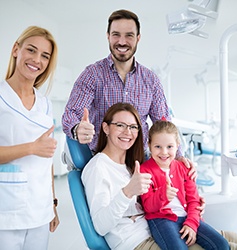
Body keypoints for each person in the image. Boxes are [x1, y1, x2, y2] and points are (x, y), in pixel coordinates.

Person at [61, 9, 194, 172]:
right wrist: (77, 129)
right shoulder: (92, 75)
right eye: (116, 34)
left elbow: (163, 123)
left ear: (138, 38)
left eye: (129, 35)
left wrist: (179, 156)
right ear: (108, 36)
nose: (122, 42)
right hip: (103, 160)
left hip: (140, 159)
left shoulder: (150, 80)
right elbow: (71, 113)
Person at [81, 102, 204, 250]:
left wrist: (191, 201)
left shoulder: (131, 165)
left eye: (133, 127)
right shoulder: (98, 168)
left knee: (233, 243)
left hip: (158, 231)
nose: (128, 132)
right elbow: (100, 226)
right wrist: (127, 193)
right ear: (106, 128)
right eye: (120, 125)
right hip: (135, 241)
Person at [0, 26, 59, 250]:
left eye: (45, 55)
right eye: (31, 50)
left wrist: (52, 203)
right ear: (16, 49)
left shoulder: (44, 103)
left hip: (40, 208)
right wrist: (32, 147)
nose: (37, 59)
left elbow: (48, 157)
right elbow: (38, 148)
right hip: (6, 210)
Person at [140, 119, 230, 249]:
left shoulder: (184, 168)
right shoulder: (145, 170)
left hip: (186, 216)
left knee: (222, 245)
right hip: (161, 220)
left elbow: (194, 200)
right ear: (149, 145)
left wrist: (191, 223)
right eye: (158, 146)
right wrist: (162, 195)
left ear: (177, 146)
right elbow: (148, 207)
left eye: (169, 147)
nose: (164, 152)